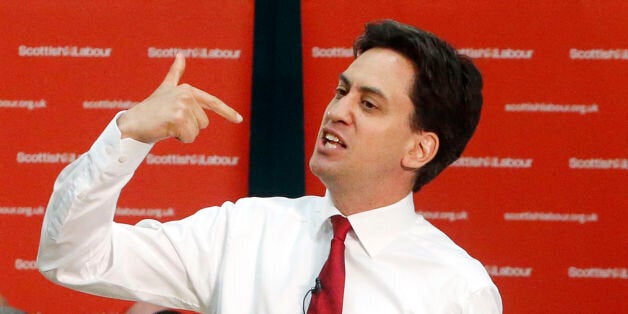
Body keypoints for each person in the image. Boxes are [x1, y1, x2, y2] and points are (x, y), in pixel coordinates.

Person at [37, 20, 502, 313]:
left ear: (419, 150)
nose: (338, 111)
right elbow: (73, 258)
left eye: (370, 104)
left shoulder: (458, 292)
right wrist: (129, 135)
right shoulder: (243, 232)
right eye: (342, 91)